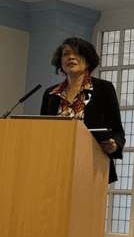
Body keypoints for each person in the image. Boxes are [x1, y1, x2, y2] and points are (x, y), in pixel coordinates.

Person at [40, 37, 125, 184]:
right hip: (55, 167)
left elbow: (117, 131)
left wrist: (114, 145)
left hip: (92, 167)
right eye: (66, 54)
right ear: (60, 61)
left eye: (77, 53)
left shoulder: (103, 89)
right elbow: (43, 131)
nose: (71, 57)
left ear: (88, 60)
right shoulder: (51, 94)